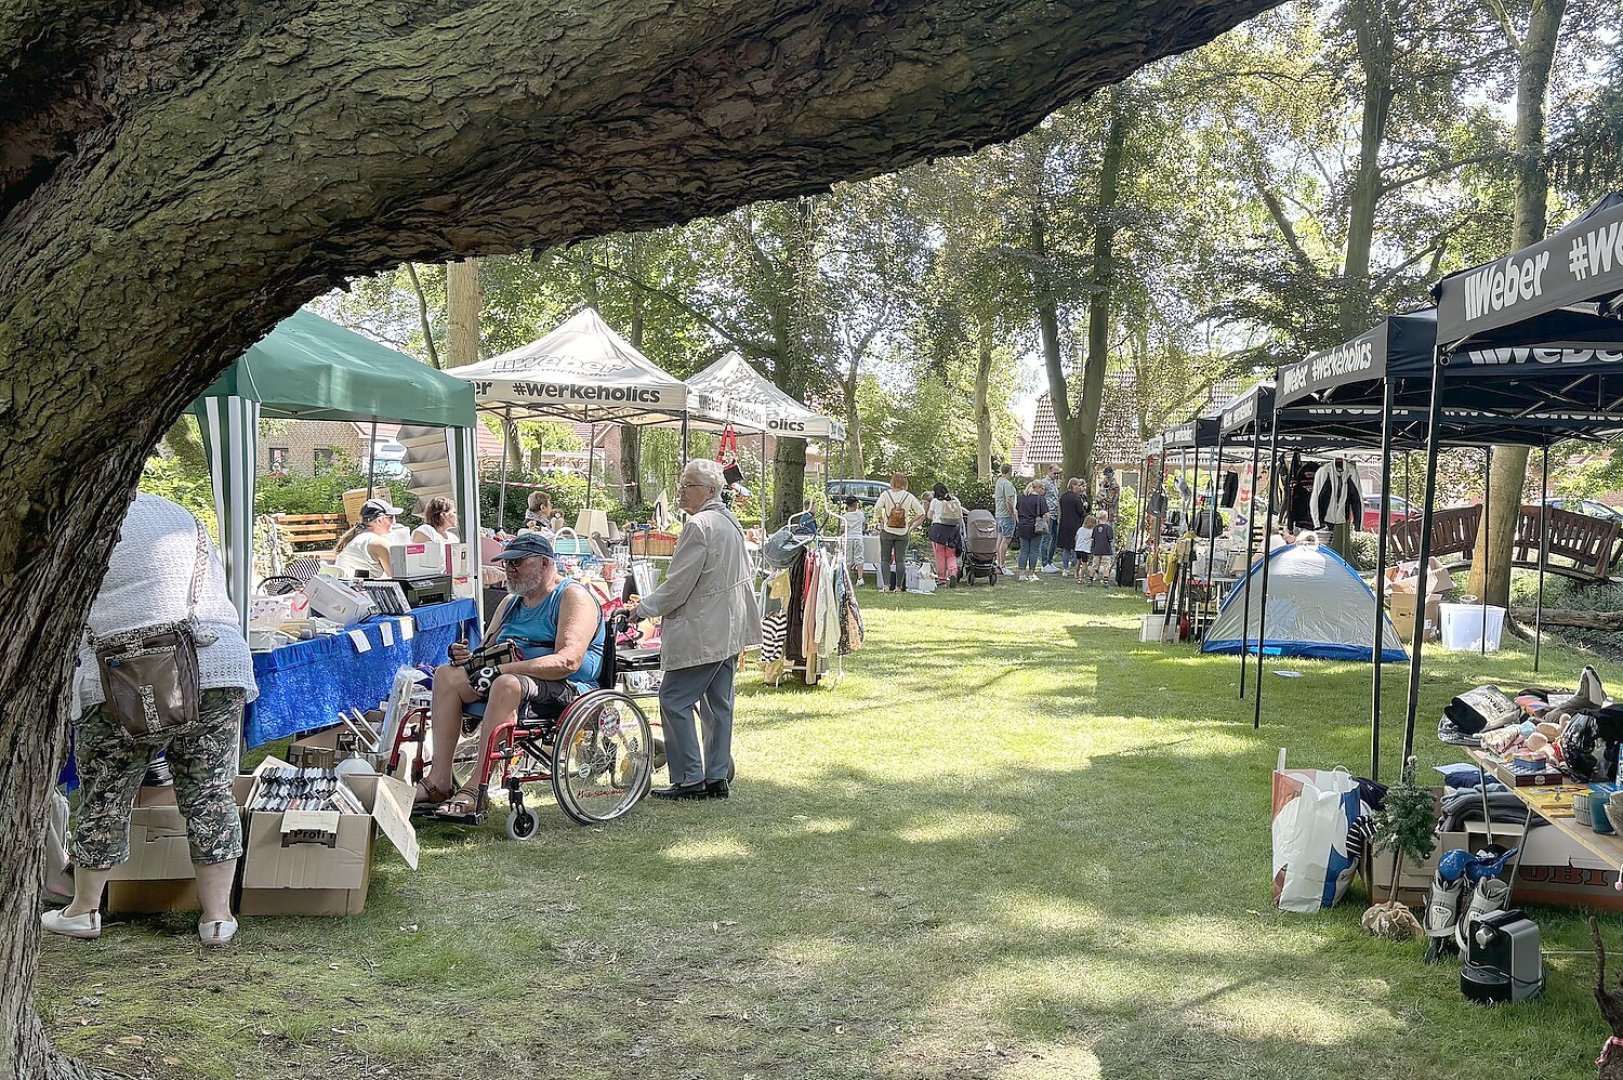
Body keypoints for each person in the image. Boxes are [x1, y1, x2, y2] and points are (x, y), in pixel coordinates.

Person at [43, 493, 255, 946]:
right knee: (211, 791)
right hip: (212, 663)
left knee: (106, 793)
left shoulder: (77, 513)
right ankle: (217, 918)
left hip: (119, 675)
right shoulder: (178, 513)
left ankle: (84, 909)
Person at [417, 532, 605, 818]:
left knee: (505, 684)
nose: (510, 569)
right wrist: (466, 657)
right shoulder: (510, 603)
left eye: (518, 562)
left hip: (564, 687)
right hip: (511, 680)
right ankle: (439, 781)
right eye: (507, 563)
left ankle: (475, 788)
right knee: (446, 675)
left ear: (544, 563)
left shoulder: (572, 596)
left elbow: (568, 661)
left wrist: (505, 669)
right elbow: (483, 653)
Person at [630, 459, 761, 800]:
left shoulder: (700, 524)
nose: (681, 490)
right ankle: (716, 777)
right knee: (718, 703)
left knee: (674, 699)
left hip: (706, 628)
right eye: (683, 483)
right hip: (727, 626)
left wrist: (643, 608)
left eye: (688, 485)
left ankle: (690, 779)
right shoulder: (729, 522)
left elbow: (678, 585)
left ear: (711, 490)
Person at [873, 474, 924, 594]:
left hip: (887, 530)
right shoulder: (908, 496)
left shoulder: (886, 494)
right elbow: (921, 512)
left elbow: (877, 508)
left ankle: (886, 586)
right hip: (903, 532)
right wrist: (910, 522)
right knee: (900, 560)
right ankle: (898, 587)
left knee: (885, 559)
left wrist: (881, 520)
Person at [333, 497, 402, 577]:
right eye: (391, 517)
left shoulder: (355, 538)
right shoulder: (379, 543)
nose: (394, 521)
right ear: (379, 521)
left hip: (346, 587)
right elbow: (397, 576)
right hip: (361, 588)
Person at [927, 482, 964, 588]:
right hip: (952, 530)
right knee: (951, 554)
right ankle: (952, 572)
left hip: (938, 530)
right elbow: (960, 517)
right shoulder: (955, 500)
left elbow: (929, 516)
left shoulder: (935, 501)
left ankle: (942, 578)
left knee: (940, 555)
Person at [1014, 480, 1049, 582]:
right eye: (1042, 488)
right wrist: (1046, 523)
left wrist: (1019, 521)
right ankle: (1031, 574)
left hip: (1022, 526)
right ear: (1037, 488)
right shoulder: (1040, 499)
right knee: (1034, 550)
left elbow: (1016, 511)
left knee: (1024, 550)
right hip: (1035, 527)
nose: (1043, 490)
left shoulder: (1021, 497)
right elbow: (1046, 514)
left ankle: (1021, 574)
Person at [1057, 478, 1090, 575]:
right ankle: (1076, 567)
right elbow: (1081, 512)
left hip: (1064, 524)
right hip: (1075, 525)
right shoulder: (1076, 498)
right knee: (1077, 547)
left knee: (1066, 548)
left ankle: (1065, 569)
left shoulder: (1063, 497)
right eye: (1078, 485)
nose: (1079, 487)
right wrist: (1084, 506)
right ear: (1073, 486)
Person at [993, 463, 1018, 569]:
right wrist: (1012, 512)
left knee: (1000, 538)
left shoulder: (998, 482)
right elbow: (1008, 500)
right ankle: (1002, 564)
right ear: (1009, 471)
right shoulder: (1007, 484)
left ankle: (998, 562)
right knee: (1006, 540)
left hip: (998, 514)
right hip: (1006, 515)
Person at [841, 496, 868, 587]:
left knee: (848, 559)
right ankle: (860, 578)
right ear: (856, 504)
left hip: (848, 538)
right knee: (859, 558)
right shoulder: (860, 514)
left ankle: (847, 579)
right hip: (858, 538)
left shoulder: (844, 517)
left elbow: (842, 529)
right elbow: (863, 523)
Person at [1089, 514, 1117, 586]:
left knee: (1094, 565)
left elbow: (1093, 539)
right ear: (1106, 518)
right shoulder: (1108, 528)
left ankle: (1090, 580)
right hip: (1106, 549)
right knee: (1106, 565)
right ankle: (1106, 581)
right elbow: (1110, 539)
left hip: (1097, 549)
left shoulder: (1095, 528)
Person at [1074, 512, 1095, 585]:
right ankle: (1081, 577)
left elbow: (1076, 537)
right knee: (1084, 564)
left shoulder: (1080, 529)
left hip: (1078, 548)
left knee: (1078, 561)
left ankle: (1076, 574)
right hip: (1085, 549)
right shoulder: (1091, 531)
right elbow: (1093, 540)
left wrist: (1077, 544)